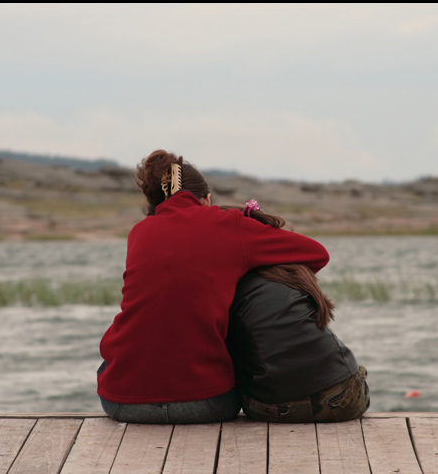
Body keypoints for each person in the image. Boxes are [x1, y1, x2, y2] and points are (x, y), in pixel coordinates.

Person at [97, 150, 330, 424]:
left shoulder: (139, 232)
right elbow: (317, 253)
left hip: (121, 402)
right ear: (206, 199)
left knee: (114, 361)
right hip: (206, 404)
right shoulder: (228, 224)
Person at [224, 199, 370, 423]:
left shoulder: (228, 285)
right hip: (344, 400)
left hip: (272, 408)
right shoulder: (292, 272)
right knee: (355, 371)